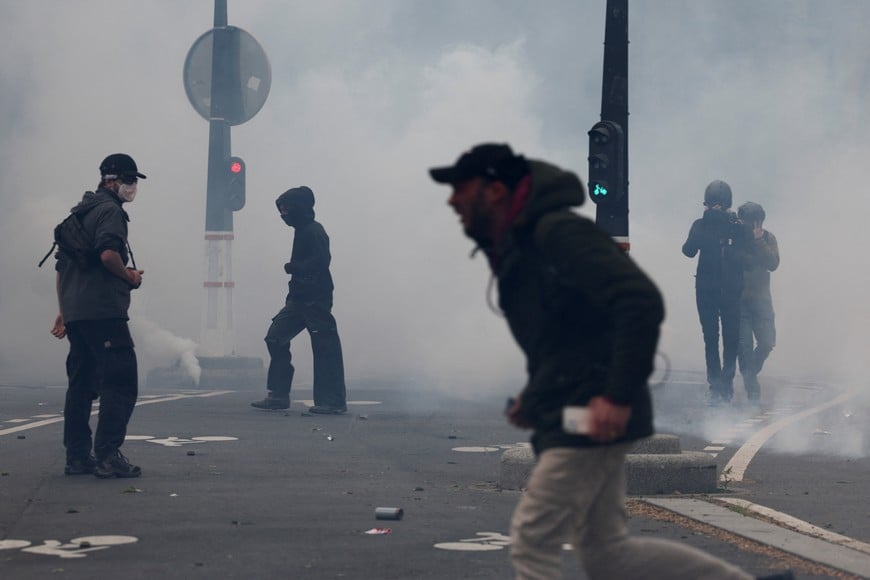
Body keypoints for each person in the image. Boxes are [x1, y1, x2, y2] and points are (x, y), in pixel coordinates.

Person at [430, 143, 783, 580]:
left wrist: (613, 397)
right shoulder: (523, 247)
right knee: (607, 553)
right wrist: (535, 397)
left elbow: (638, 302)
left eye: (465, 192)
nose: (454, 202)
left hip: (593, 412)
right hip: (579, 409)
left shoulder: (559, 237)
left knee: (533, 537)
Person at [51, 153, 146, 478]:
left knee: (80, 385)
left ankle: (77, 457)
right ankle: (107, 455)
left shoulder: (79, 214)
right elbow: (108, 254)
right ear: (111, 180)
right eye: (129, 180)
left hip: (77, 315)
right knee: (120, 382)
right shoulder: (109, 212)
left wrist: (64, 312)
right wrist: (129, 276)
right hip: (104, 313)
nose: (133, 187)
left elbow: (62, 268)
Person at [251, 186, 347, 414]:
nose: (283, 214)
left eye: (286, 209)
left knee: (325, 347)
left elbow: (322, 261)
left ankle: (333, 401)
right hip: (299, 299)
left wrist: (295, 268)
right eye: (281, 210)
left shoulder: (314, 231)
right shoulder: (303, 229)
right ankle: (278, 395)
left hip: (315, 300)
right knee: (275, 338)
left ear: (299, 208)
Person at [682, 180, 754, 405]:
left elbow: (688, 251)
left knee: (719, 338)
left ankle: (720, 385)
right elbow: (689, 250)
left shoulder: (724, 226)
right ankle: (721, 385)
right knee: (721, 338)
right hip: (719, 290)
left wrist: (710, 229)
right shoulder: (717, 226)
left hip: (716, 290)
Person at [736, 202, 779, 402]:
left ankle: (749, 372)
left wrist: (759, 241)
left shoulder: (768, 238)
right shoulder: (735, 238)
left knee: (767, 342)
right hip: (739, 302)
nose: (754, 225)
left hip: (762, 301)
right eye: (750, 221)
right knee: (744, 347)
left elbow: (773, 263)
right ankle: (752, 390)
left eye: (758, 221)